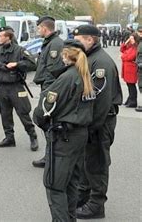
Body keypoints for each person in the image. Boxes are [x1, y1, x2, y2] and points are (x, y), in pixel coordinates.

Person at [33, 39, 95, 222]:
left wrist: (44, 124)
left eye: (62, 54)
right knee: (70, 183)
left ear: (67, 55)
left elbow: (43, 109)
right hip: (79, 136)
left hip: (64, 138)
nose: (60, 57)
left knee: (54, 185)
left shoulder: (67, 77)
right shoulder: (83, 74)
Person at [73, 25, 122, 219]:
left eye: (79, 40)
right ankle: (84, 195)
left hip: (100, 123)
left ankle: (96, 204)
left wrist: (91, 127)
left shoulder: (101, 63)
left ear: (90, 40)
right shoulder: (90, 58)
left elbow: (101, 102)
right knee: (88, 160)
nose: (76, 44)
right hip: (92, 122)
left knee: (97, 163)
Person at [0, 26, 38, 150]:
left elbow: (33, 64)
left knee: (23, 113)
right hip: (3, 88)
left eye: (1, 35)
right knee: (5, 113)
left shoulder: (19, 50)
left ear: (8, 37)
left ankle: (33, 136)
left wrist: (17, 64)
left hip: (16, 87)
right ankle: (9, 138)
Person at [32, 16, 65, 168]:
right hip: (46, 87)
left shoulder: (55, 44)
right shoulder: (50, 42)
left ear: (45, 28)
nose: (38, 30)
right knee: (47, 121)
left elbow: (54, 70)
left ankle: (52, 157)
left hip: (49, 89)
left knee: (46, 120)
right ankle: (50, 155)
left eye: (39, 28)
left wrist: (48, 91)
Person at [120, 33, 139, 107]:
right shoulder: (130, 46)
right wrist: (126, 42)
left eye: (132, 39)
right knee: (129, 85)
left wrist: (122, 56)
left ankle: (133, 101)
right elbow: (122, 49)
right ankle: (130, 99)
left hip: (131, 69)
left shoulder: (136, 47)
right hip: (127, 68)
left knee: (131, 86)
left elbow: (130, 57)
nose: (130, 40)